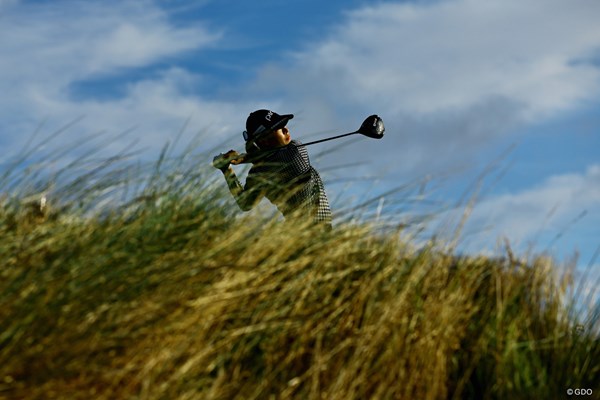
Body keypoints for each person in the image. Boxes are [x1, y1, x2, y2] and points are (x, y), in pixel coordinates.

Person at [213, 109, 332, 228]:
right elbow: (270, 159)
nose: (286, 130)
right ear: (263, 140)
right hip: (313, 235)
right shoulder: (296, 149)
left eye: (284, 125)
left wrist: (227, 169)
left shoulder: (261, 171)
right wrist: (240, 160)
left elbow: (245, 203)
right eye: (279, 128)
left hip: (298, 234)